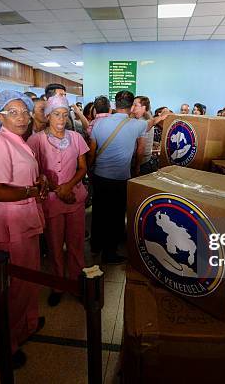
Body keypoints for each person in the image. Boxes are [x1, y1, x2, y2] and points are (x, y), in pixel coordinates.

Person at [0, 90, 48, 368]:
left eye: (24, 111)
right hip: (12, 224)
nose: (21, 117)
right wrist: (29, 190)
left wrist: (40, 180)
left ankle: (27, 324)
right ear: (0, 116)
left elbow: (26, 178)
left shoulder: (20, 141)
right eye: (13, 112)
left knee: (31, 278)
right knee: (18, 285)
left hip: (26, 218)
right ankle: (3, 343)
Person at [27, 95, 89, 307]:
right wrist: (57, 190)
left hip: (74, 198)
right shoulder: (36, 140)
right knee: (54, 246)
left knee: (76, 244)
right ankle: (58, 285)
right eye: (56, 114)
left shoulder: (76, 137)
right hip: (52, 201)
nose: (61, 119)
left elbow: (83, 167)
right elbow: (34, 172)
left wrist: (68, 187)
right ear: (47, 116)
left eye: (64, 114)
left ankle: (75, 283)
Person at [88, 91, 147, 264]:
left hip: (100, 176)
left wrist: (91, 170)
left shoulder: (97, 123)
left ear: (114, 104)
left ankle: (95, 245)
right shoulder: (138, 125)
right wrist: (136, 168)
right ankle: (110, 253)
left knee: (98, 211)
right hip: (120, 178)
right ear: (131, 106)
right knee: (115, 216)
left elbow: (92, 152)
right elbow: (141, 150)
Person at [132, 96, 157, 175]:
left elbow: (141, 148)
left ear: (143, 107)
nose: (132, 107)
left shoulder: (143, 122)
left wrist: (137, 167)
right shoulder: (142, 120)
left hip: (141, 163)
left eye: (135, 105)